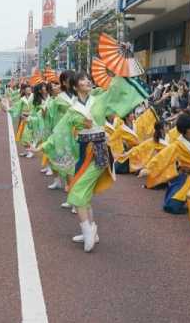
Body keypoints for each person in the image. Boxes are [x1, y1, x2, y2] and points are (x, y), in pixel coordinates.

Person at [42, 72, 148, 252]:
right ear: (75, 86)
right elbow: (60, 131)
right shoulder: (72, 108)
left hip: (99, 151)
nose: (87, 81)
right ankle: (90, 230)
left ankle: (88, 231)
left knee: (76, 191)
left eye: (87, 79)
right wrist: (42, 146)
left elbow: (117, 90)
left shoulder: (99, 99)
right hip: (83, 152)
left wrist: (120, 74)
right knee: (85, 193)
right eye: (82, 80)